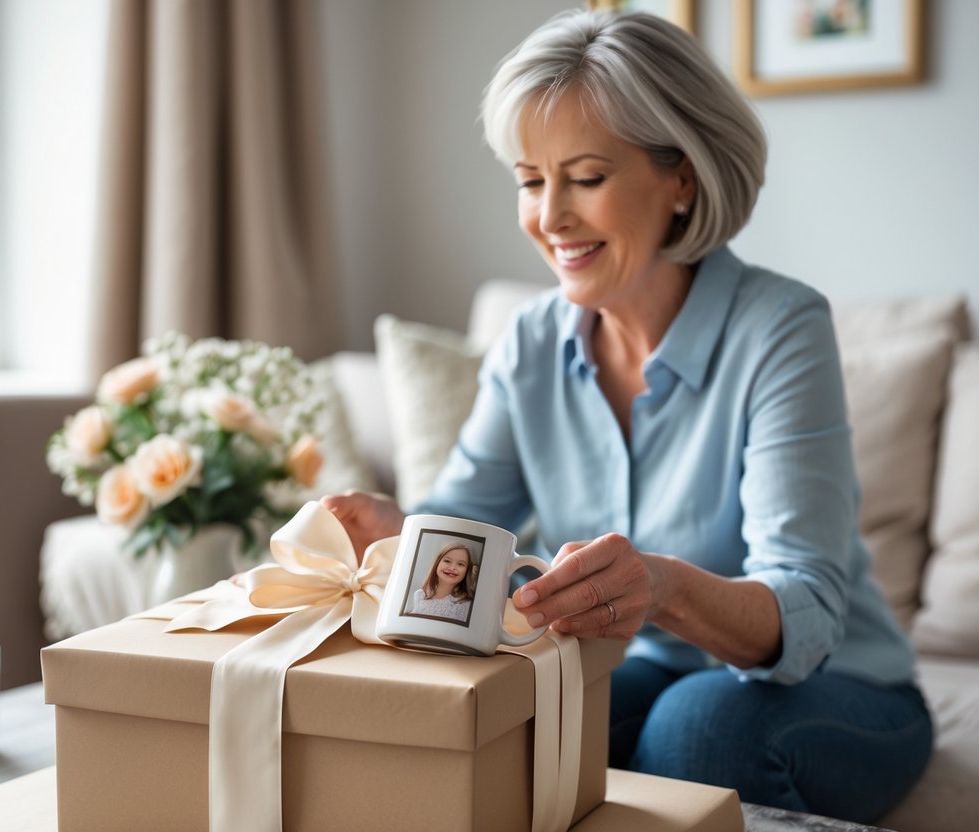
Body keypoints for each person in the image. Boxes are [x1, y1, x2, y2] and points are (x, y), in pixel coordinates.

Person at [322, 9, 931, 824]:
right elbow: (463, 531)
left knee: (698, 726)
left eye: (585, 177)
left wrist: (666, 588)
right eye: (530, 180)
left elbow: (808, 613)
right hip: (644, 667)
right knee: (511, 719)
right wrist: (401, 538)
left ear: (680, 176)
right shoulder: (529, 342)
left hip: (838, 685)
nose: (549, 217)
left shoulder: (780, 327)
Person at [406, 542, 476, 622]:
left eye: (460, 564)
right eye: (447, 561)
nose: (452, 568)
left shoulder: (467, 604)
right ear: (437, 563)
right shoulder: (420, 595)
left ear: (467, 571)